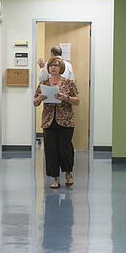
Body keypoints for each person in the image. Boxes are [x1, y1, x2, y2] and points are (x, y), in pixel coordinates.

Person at [32, 57, 80, 189]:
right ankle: (55, 178)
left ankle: (68, 174)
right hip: (49, 121)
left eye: (56, 66)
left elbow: (77, 101)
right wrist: (40, 98)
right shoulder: (44, 83)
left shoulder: (69, 83)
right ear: (48, 69)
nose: (53, 68)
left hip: (66, 120)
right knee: (51, 150)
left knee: (64, 149)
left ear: (61, 68)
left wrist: (67, 98)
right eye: (51, 66)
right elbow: (35, 103)